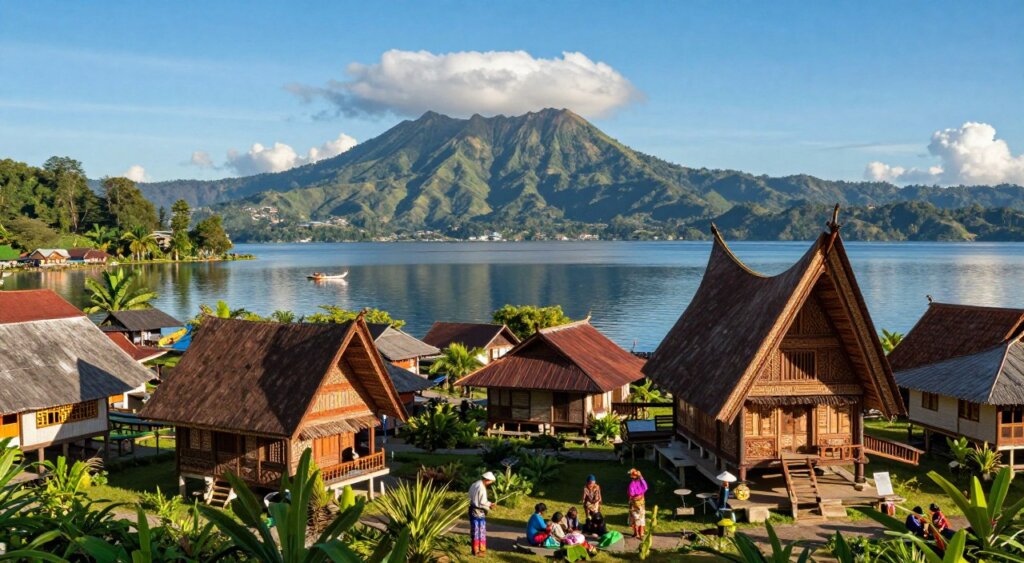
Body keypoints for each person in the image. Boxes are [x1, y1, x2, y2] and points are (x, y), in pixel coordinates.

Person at [468, 471, 497, 556]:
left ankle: (475, 550)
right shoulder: (482, 488)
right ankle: (479, 550)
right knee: (480, 531)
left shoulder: (474, 484)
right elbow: (483, 501)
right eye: (490, 482)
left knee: (475, 530)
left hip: (472, 509)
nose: (490, 484)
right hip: (479, 511)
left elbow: (469, 496)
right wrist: (490, 504)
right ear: (487, 480)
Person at [627, 468, 648, 538]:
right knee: (638, 518)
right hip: (638, 504)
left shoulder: (635, 483)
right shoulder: (635, 483)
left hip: (638, 504)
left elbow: (631, 493)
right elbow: (632, 493)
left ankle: (639, 533)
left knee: (638, 518)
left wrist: (636, 497)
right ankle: (638, 533)